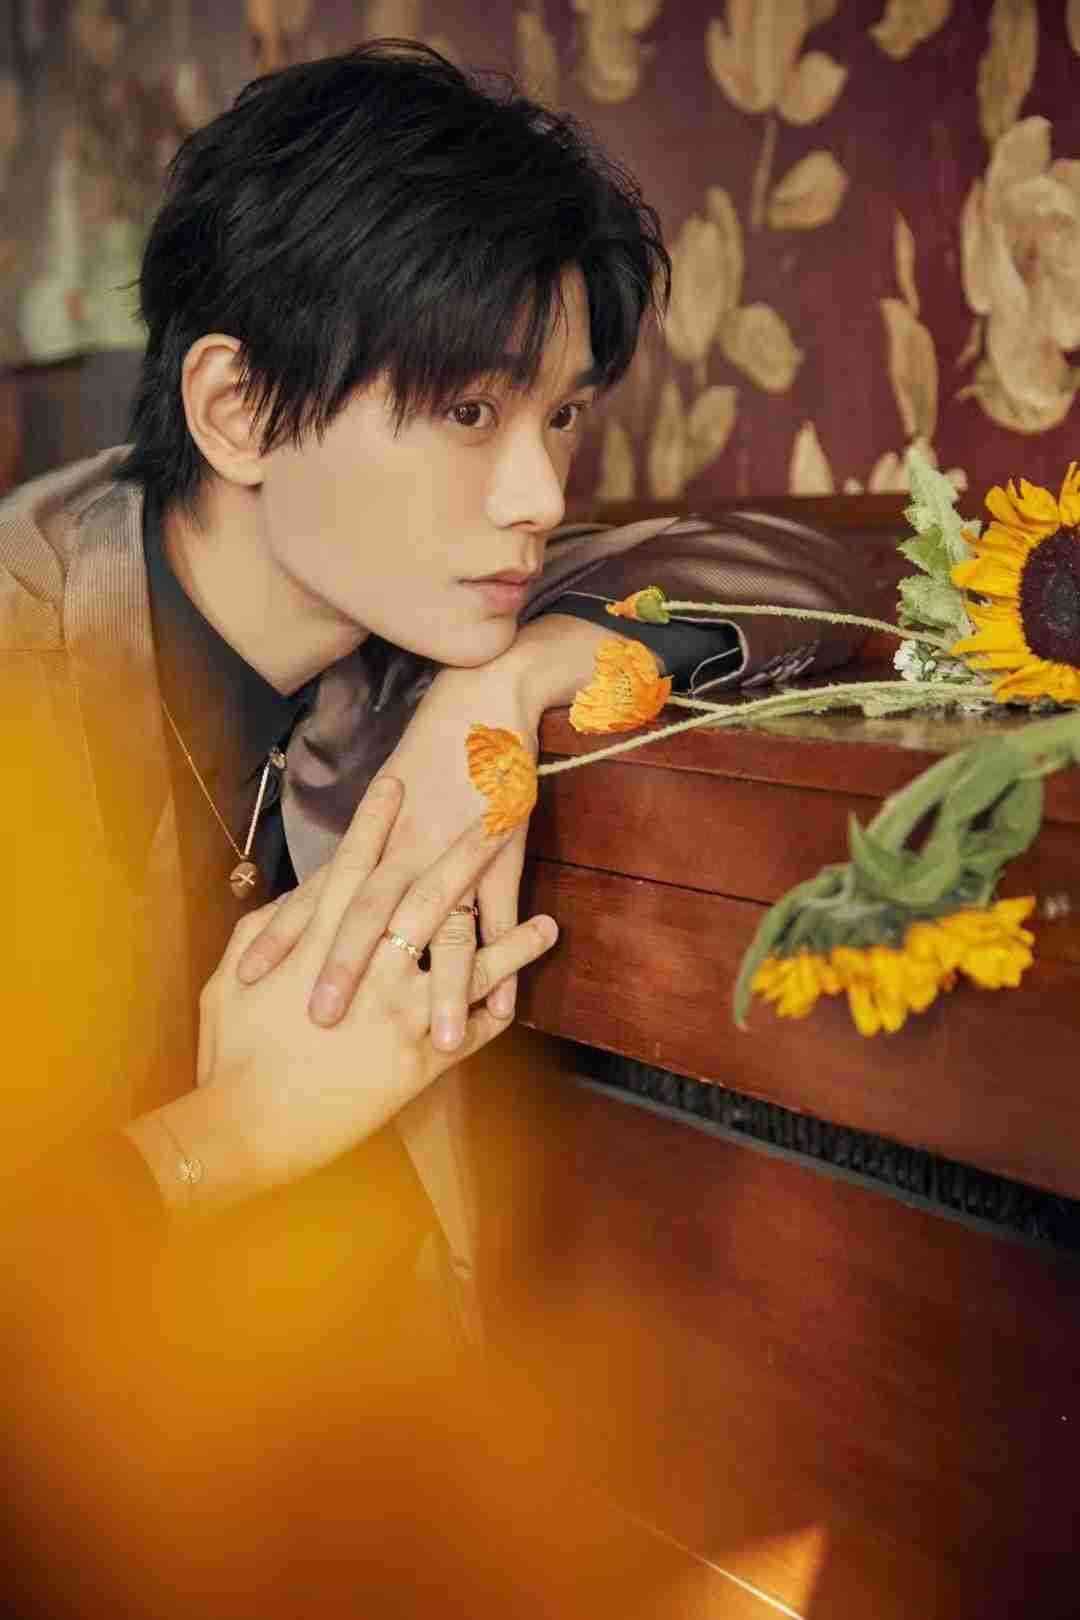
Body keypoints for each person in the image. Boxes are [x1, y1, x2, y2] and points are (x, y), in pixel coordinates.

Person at [0, 39, 869, 1615]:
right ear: (238, 410)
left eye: (563, 413)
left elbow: (828, 582)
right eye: (468, 409)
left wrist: (521, 674)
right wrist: (228, 1141)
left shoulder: (418, 617)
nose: (538, 492)